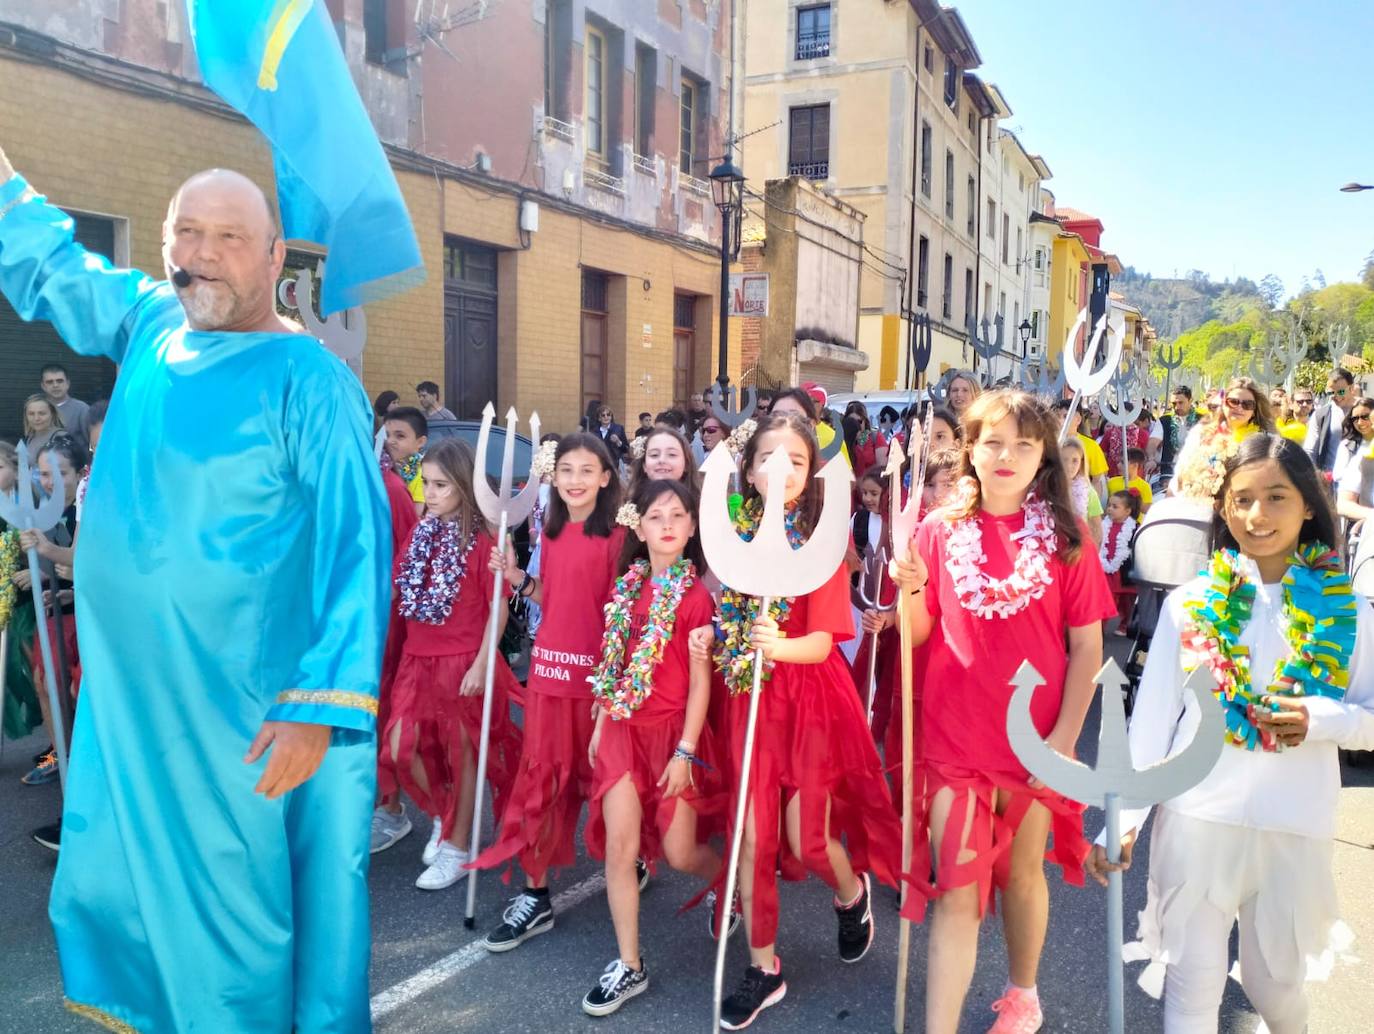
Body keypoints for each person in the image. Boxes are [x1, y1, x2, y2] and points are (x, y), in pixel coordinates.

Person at [0, 155, 389, 1032]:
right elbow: (55, 265)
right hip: (138, 713)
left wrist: (315, 708)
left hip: (243, 722)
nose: (201, 255)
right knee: (135, 908)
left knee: (236, 932)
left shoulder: (313, 381)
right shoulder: (149, 322)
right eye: (186, 232)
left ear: (275, 253)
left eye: (228, 237)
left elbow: (356, 548)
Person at [1087, 434, 1374, 1034]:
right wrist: (1126, 818)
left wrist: (1322, 721)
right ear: (1222, 509)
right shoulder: (1189, 605)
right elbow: (1154, 720)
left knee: (1277, 991)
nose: (1257, 516)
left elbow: (1368, 718)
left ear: (1308, 507)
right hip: (1197, 819)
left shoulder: (1353, 612)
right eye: (1241, 499)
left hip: (1293, 828)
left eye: (1276, 497)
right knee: (1192, 991)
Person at [892, 389, 1115, 1034]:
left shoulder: (1068, 536)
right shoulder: (936, 531)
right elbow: (916, 635)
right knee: (957, 890)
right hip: (955, 739)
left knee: (1021, 877)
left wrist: (1063, 744)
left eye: (1023, 443)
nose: (1006, 455)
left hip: (1035, 741)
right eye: (992, 442)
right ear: (970, 450)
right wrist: (908, 591)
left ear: (1044, 452)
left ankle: (1023, 995)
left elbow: (1086, 647)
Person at [708, 411, 902, 1031]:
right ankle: (763, 966)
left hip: (807, 700)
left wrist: (775, 644)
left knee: (806, 841)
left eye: (795, 460)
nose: (781, 470)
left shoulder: (818, 541)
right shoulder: (733, 536)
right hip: (751, 699)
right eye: (769, 457)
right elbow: (719, 608)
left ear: (811, 472)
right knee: (753, 837)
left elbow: (821, 642)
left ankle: (852, 895)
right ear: (749, 467)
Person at [580, 479, 730, 1016]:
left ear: (692, 528)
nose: (666, 524)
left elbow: (699, 685)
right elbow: (613, 665)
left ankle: (725, 881)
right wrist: (601, 721)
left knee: (678, 851)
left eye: (678, 515)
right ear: (638, 527)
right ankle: (630, 964)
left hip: (672, 734)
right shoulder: (627, 586)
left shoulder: (695, 598)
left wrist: (686, 751)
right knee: (620, 852)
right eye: (655, 516)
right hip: (623, 729)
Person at [476, 433, 626, 950]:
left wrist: (613, 688)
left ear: (605, 478)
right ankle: (535, 894)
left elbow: (617, 617)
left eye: (587, 471)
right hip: (546, 680)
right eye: (566, 470)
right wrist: (518, 577)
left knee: (606, 787)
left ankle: (632, 860)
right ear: (552, 477)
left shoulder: (618, 539)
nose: (575, 480)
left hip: (595, 686)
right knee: (541, 786)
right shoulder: (551, 533)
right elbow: (551, 597)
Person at [385, 439, 523, 890]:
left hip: (463, 660)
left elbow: (498, 608)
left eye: (442, 484)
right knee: (402, 744)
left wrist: (484, 664)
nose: (432, 493)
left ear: (464, 486)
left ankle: (458, 843)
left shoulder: (486, 539)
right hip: (416, 659)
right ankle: (444, 817)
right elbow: (398, 589)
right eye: (426, 484)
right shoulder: (421, 530)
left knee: (461, 756)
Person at [1172, 378, 1275, 500]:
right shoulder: (1201, 433)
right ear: (1224, 404)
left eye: (1247, 404)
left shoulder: (1267, 440)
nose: (1239, 408)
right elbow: (1181, 473)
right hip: (1201, 503)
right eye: (1233, 402)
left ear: (1254, 411)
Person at [1100, 488, 1142, 636]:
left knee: (1127, 602)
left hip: (1123, 571)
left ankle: (1126, 624)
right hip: (1105, 569)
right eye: (1109, 505)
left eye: (1115, 507)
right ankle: (1099, 629)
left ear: (1128, 511)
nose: (1110, 509)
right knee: (1103, 600)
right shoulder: (1102, 526)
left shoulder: (1135, 528)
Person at [1051, 397, 1108, 502]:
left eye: (1065, 416)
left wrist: (1092, 509)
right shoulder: (1048, 444)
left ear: (1078, 419)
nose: (1060, 420)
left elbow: (1097, 481)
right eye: (1057, 416)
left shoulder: (1091, 446)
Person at [1303, 367, 1357, 476]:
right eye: (1331, 393)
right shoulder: (1321, 415)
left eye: (1341, 392)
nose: (1336, 396)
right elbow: (1310, 451)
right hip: (1330, 480)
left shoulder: (1368, 411)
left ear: (1351, 388)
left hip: (1362, 479)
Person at [626, 425, 698, 495]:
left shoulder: (702, 504)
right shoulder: (632, 503)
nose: (662, 460)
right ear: (644, 465)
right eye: (654, 455)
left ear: (686, 463)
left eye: (671, 454)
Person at [384, 406, 429, 516]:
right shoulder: (381, 467)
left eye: (400, 436)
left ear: (420, 442)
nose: (390, 441)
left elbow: (414, 514)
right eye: (387, 435)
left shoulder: (422, 473)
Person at [1060, 437, 1104, 545]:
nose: (1069, 466)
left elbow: (1096, 528)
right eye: (1064, 459)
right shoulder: (1047, 488)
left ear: (1081, 463)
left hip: (1078, 548)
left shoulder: (1088, 492)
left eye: (1075, 460)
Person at [41, 363, 89, 445]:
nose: (55, 385)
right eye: (50, 382)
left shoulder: (82, 409)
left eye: (60, 381)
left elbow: (94, 442)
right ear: (43, 386)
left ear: (68, 384)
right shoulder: (37, 409)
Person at [1107, 447, 1154, 512]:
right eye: (1119, 462)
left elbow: (1146, 510)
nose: (1118, 465)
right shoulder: (1111, 482)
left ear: (1135, 465)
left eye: (1123, 462)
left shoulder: (1144, 486)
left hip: (1134, 521)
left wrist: (1135, 499)